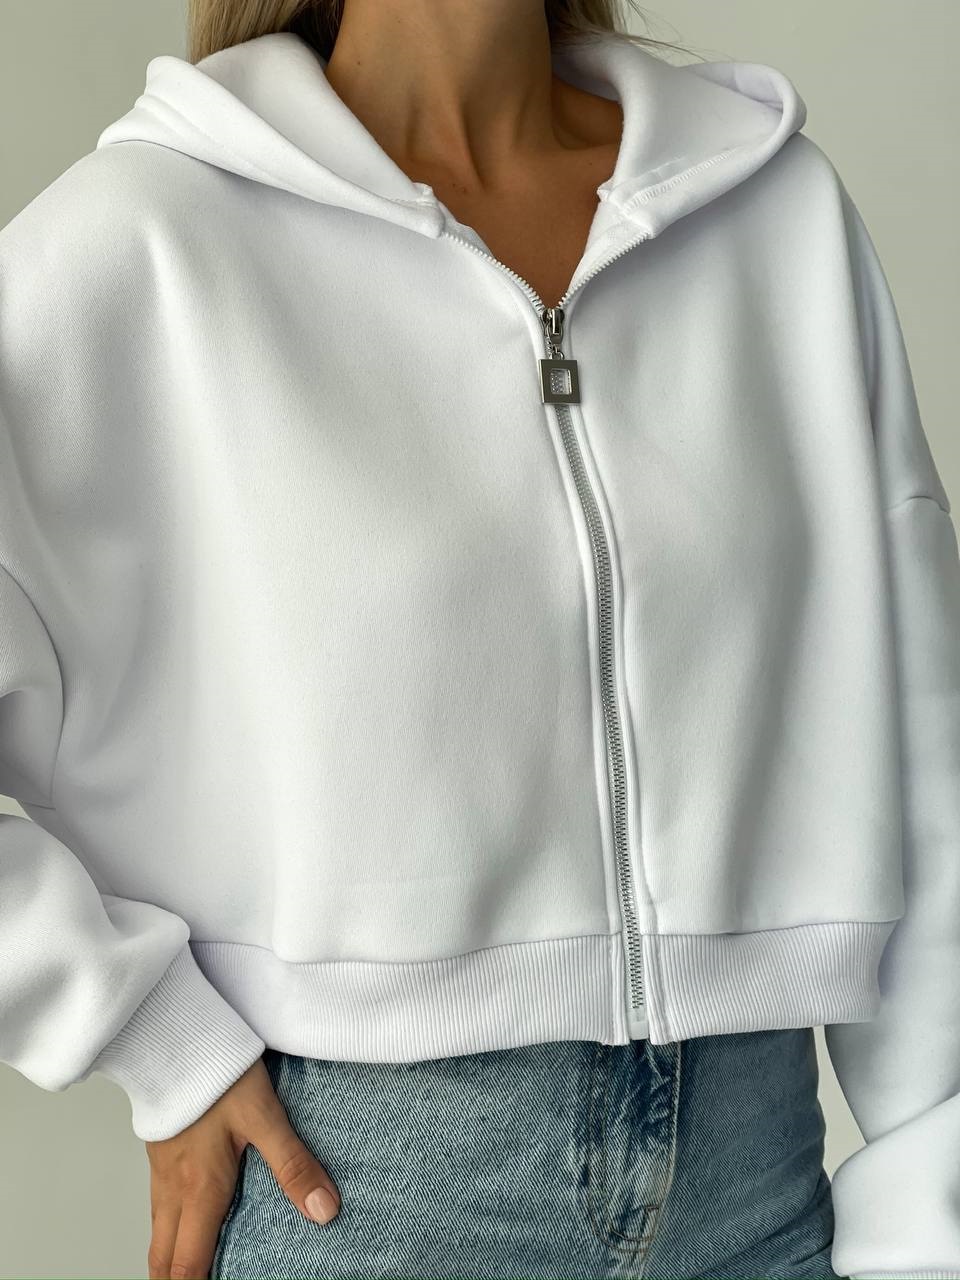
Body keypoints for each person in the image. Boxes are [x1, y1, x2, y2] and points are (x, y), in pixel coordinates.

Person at [0, 0, 957, 1277]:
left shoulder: (770, 209)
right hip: (368, 1195)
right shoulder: (148, 239)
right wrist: (146, 1032)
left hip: (762, 1191)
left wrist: (930, 1198)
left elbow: (919, 731)